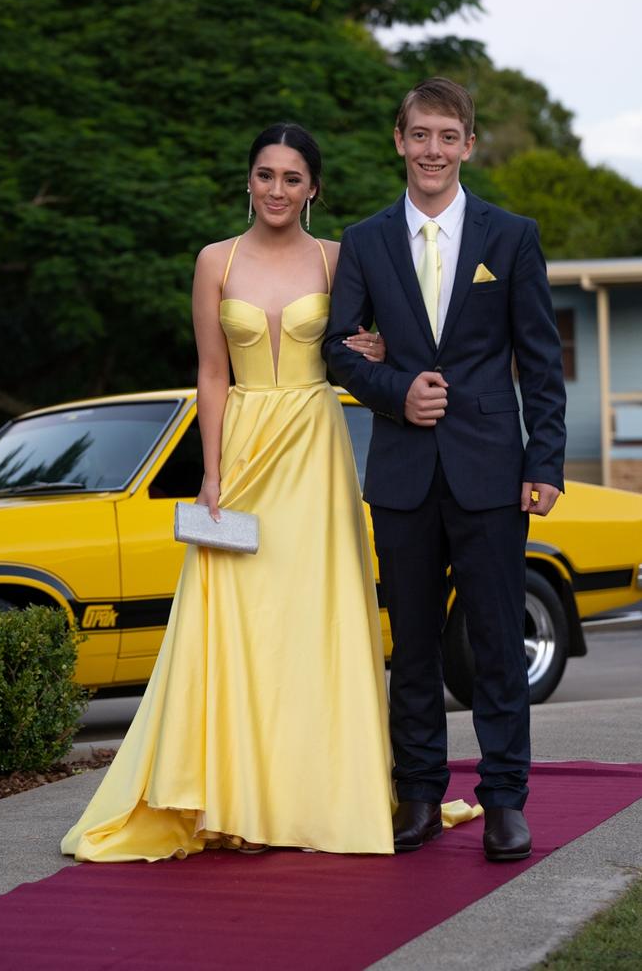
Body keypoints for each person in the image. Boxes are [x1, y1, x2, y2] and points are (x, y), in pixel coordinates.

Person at [61, 123, 398, 860]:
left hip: (315, 445)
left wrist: (373, 348)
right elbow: (211, 374)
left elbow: (363, 348)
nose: (277, 190)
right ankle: (234, 800)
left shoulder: (342, 259)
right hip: (244, 446)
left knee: (315, 616)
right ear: (248, 181)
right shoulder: (216, 260)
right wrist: (211, 471)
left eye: (292, 178)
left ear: (314, 189)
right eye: (264, 175)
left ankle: (322, 795)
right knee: (239, 619)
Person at [323, 78, 566, 861]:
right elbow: (334, 347)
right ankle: (420, 795)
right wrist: (396, 392)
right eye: (418, 135)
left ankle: (504, 801)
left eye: (446, 136)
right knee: (415, 645)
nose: (432, 150)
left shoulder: (511, 236)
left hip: (492, 471)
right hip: (400, 474)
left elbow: (540, 360)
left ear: (467, 143)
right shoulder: (362, 241)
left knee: (495, 641)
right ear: (399, 140)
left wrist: (547, 462)